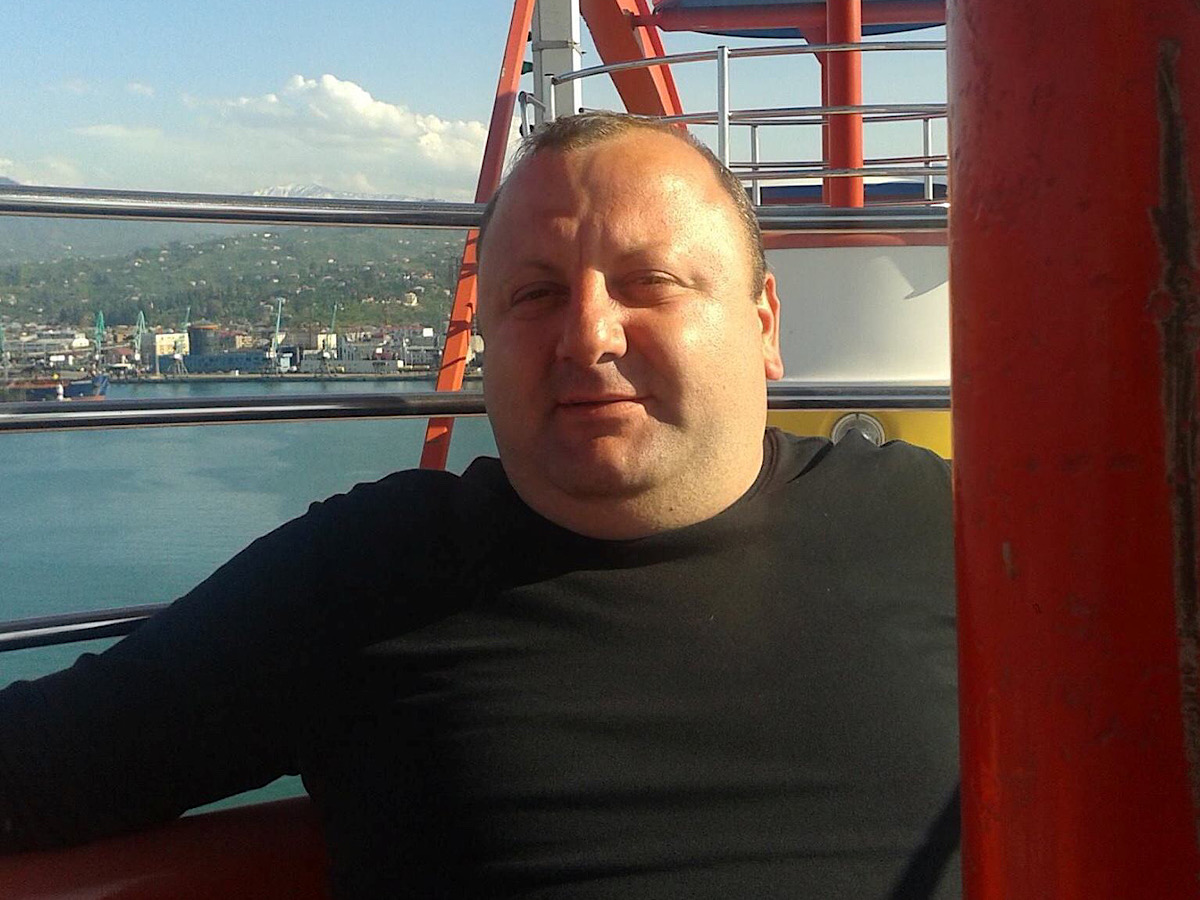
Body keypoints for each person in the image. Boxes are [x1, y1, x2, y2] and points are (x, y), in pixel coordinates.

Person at [0, 113, 958, 898]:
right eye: (535, 295)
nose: (588, 335)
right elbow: (43, 765)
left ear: (764, 323)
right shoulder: (373, 574)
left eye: (650, 283)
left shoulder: (935, 526)